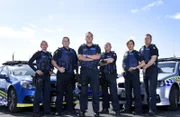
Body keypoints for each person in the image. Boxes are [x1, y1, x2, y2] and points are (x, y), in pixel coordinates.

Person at [51, 37, 78, 116]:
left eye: (67, 41)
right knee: (60, 93)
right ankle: (58, 111)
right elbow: (53, 61)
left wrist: (76, 73)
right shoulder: (59, 51)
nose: (66, 42)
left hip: (70, 75)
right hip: (62, 74)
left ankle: (70, 110)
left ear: (69, 42)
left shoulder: (73, 51)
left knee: (70, 93)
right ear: (62, 42)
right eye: (64, 41)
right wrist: (59, 68)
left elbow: (76, 63)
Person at [78, 32, 101, 117]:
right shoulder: (81, 47)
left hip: (94, 72)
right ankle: (83, 110)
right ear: (85, 37)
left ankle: (96, 111)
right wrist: (92, 58)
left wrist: (86, 57)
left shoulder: (97, 47)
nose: (89, 38)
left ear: (92, 37)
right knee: (83, 92)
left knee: (95, 92)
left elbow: (98, 57)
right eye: (87, 36)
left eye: (90, 36)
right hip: (84, 72)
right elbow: (80, 57)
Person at [28, 41, 53, 117]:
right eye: (43, 45)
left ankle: (47, 111)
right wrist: (36, 70)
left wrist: (51, 70)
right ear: (40, 46)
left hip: (47, 76)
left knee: (47, 94)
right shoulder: (38, 53)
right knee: (38, 95)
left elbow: (51, 64)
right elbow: (30, 62)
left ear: (47, 46)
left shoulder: (49, 54)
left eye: (46, 44)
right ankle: (35, 112)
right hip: (39, 76)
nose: (44, 46)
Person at [122, 40, 145, 115]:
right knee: (127, 92)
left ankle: (138, 110)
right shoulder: (125, 53)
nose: (129, 45)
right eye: (128, 44)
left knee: (136, 92)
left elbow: (143, 63)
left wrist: (136, 67)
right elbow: (123, 63)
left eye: (131, 44)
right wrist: (123, 70)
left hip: (134, 74)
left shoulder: (136, 53)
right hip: (127, 75)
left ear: (133, 45)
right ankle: (127, 109)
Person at [139, 34, 159, 116]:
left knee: (152, 91)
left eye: (148, 38)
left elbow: (153, 59)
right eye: (145, 38)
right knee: (147, 91)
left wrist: (145, 66)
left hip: (152, 70)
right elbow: (140, 59)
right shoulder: (141, 49)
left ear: (151, 39)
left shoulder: (153, 48)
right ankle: (148, 108)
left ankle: (153, 110)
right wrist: (141, 65)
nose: (146, 40)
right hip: (145, 71)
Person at [99, 42, 121, 116]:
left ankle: (116, 110)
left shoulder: (113, 54)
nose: (106, 46)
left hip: (111, 75)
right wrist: (106, 61)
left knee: (113, 93)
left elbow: (111, 60)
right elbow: (100, 63)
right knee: (104, 93)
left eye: (108, 45)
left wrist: (104, 61)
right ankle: (105, 109)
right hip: (103, 75)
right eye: (105, 45)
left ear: (110, 47)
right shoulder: (102, 54)